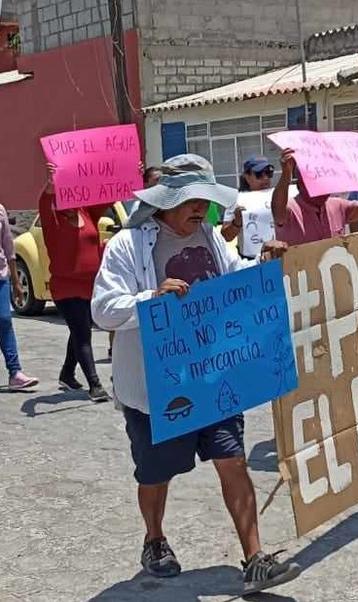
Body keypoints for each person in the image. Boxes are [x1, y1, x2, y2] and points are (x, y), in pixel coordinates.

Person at [90, 154, 301, 594]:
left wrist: (262, 265)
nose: (201, 208)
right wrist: (151, 300)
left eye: (205, 199)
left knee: (233, 460)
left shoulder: (210, 236)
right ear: (165, 201)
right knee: (155, 474)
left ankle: (254, 557)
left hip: (214, 376)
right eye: (191, 200)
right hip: (157, 389)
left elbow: (232, 277)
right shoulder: (128, 247)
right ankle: (155, 539)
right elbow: (104, 311)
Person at [39, 168, 111, 402]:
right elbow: (44, 201)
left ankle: (67, 374)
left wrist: (129, 172)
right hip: (66, 288)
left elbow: (110, 195)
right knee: (82, 334)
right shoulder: (53, 219)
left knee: (80, 330)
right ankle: (95, 385)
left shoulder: (87, 212)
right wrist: (51, 184)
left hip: (91, 285)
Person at [272, 148, 358, 245]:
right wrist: (286, 174)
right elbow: (278, 211)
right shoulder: (290, 209)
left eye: (325, 182)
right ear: (299, 185)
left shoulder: (337, 205)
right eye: (315, 183)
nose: (322, 189)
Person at [0, 202, 38, 390]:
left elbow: (8, 247)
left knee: (5, 320)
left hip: (1, 277)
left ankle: (15, 373)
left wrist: (16, 282)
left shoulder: (0, 210)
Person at [220, 156, 275, 258]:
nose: (265, 178)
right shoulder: (237, 199)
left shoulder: (278, 196)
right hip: (250, 260)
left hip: (277, 255)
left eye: (268, 173)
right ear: (247, 176)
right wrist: (236, 223)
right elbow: (226, 237)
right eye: (259, 174)